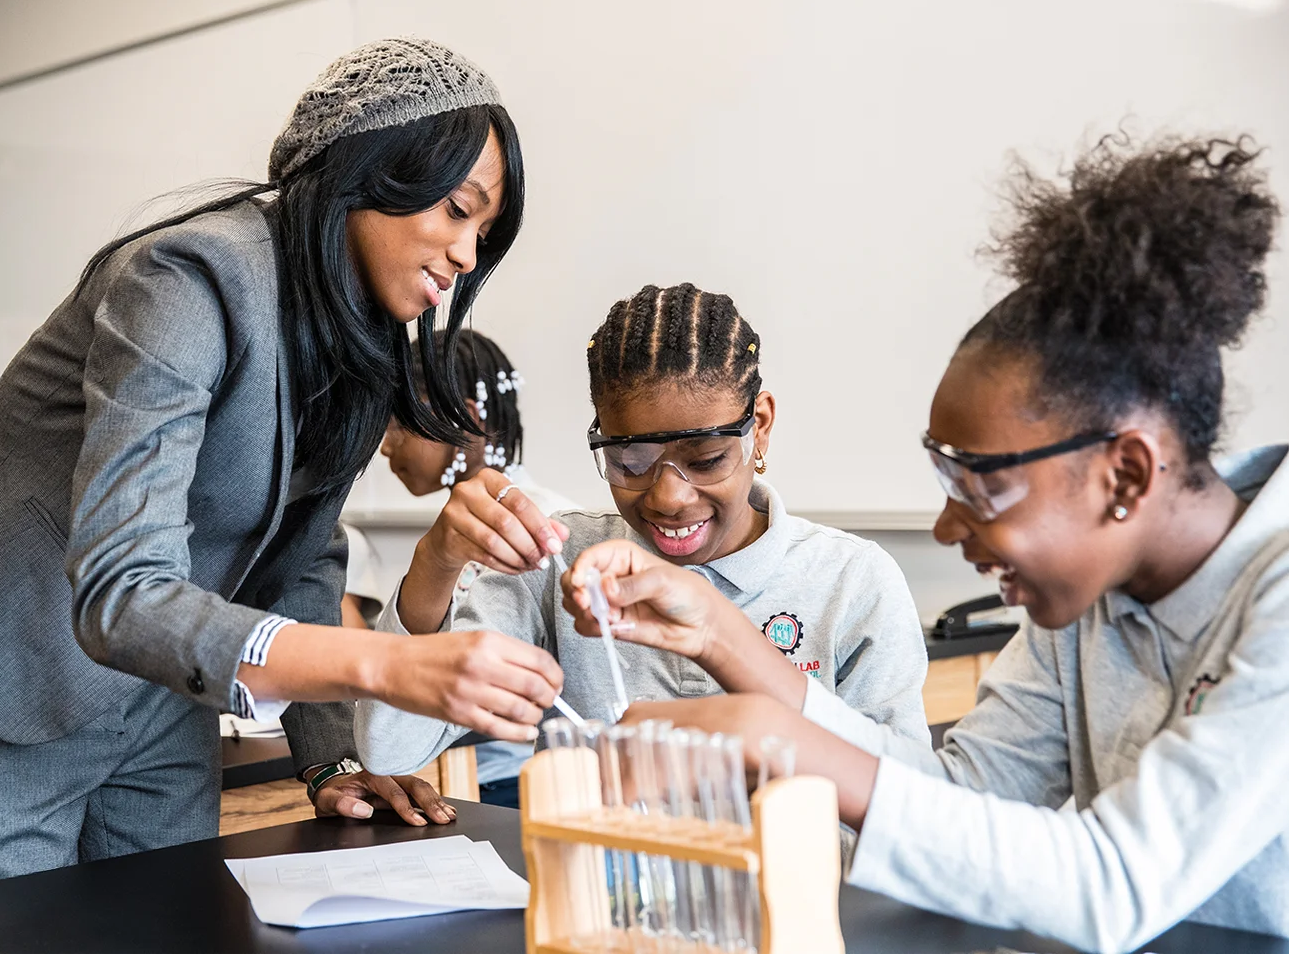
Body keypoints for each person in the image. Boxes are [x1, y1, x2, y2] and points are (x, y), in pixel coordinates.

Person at [566, 135, 1289, 952]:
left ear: (1123, 476)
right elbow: (958, 793)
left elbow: (1115, 881)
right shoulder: (1087, 608)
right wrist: (719, 633)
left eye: (978, 485)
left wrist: (778, 741)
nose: (947, 528)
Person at [0, 37, 564, 892]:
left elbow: (299, 556)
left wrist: (329, 759)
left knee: (171, 926)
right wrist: (389, 664)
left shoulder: (360, 334)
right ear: (366, 173)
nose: (468, 254)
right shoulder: (187, 278)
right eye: (457, 210)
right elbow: (120, 588)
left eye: (485, 230)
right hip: (12, 665)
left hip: (167, 686)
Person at [356, 284, 930, 792]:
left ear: (761, 426)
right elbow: (390, 749)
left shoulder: (850, 580)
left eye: (705, 460)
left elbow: (915, 801)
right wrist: (436, 561)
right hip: (605, 905)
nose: (669, 497)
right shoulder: (558, 567)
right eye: (630, 460)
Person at [374, 328, 577, 807]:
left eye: (399, 426)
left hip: (512, 786)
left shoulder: (545, 531)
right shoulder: (447, 538)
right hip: (445, 768)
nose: (386, 447)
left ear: (464, 419)